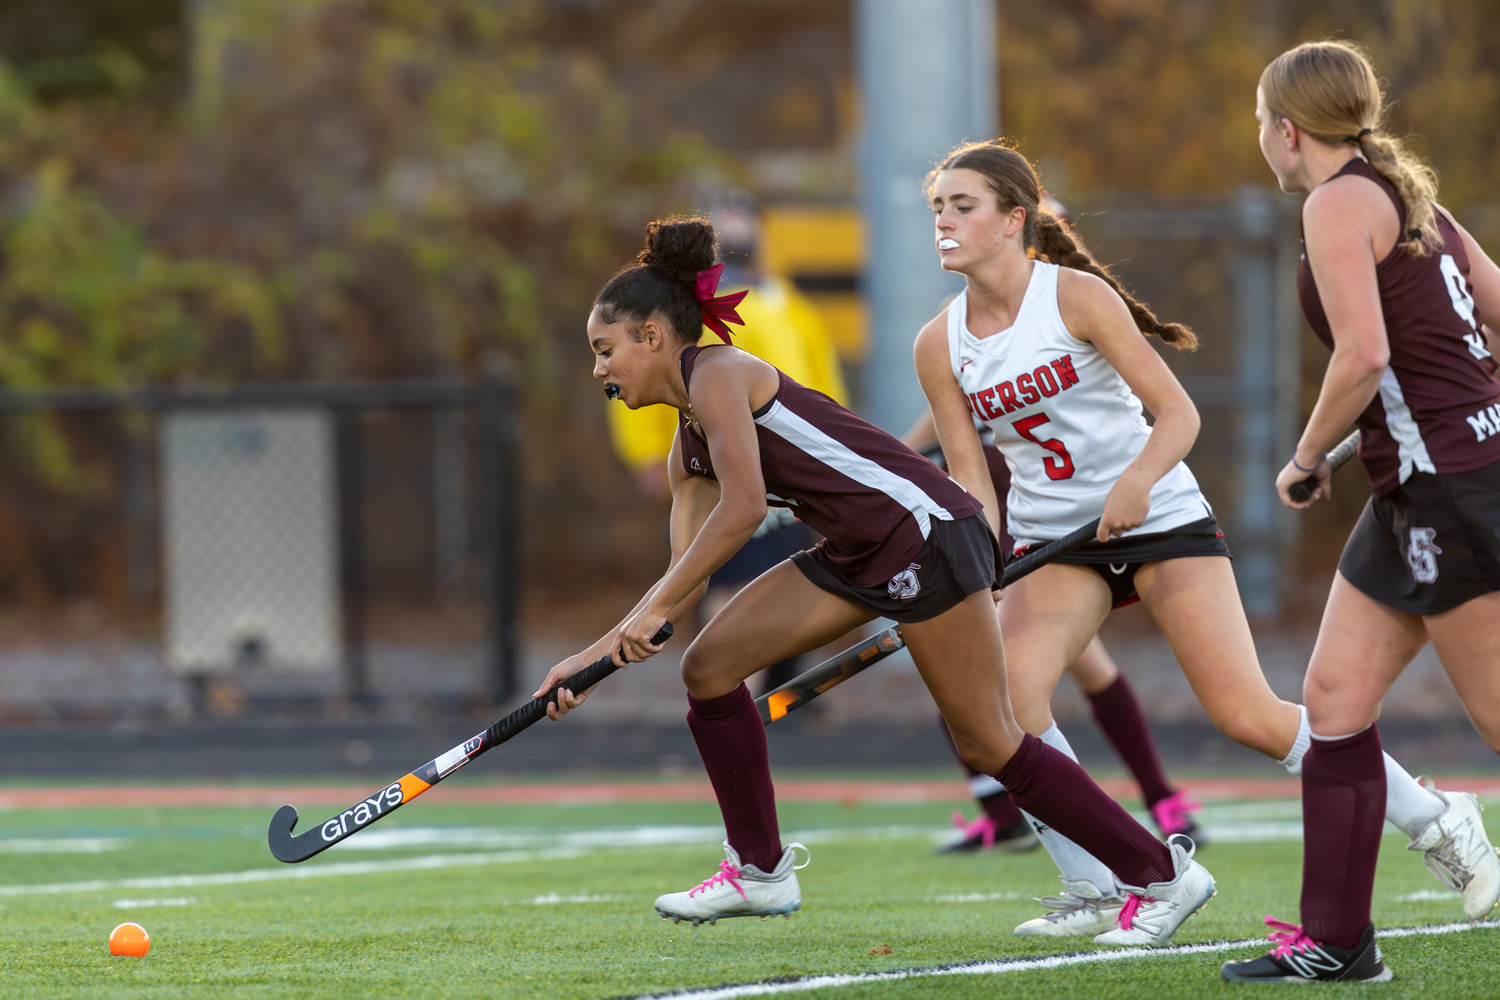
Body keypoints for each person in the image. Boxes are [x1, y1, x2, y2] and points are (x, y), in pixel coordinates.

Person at [536, 215, 1215, 946]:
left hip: (925, 536)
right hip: (857, 553)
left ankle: (1164, 876)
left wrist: (651, 613)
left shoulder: (722, 375)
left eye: (606, 351)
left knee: (990, 742)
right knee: (709, 667)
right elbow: (681, 580)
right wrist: (595, 655)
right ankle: (759, 871)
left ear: (652, 337)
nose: (601, 369)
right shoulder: (686, 443)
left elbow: (739, 510)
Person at [914, 137, 1495, 941]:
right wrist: (983, 558)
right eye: (937, 207)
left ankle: (1438, 821)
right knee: (999, 712)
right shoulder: (937, 344)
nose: (943, 221)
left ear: (1014, 220)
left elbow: (1179, 416)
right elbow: (972, 476)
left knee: (1248, 715)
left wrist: (1135, 482)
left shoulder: (1076, 298)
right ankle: (1103, 883)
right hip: (1057, 545)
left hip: (1156, 518)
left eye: (962, 205)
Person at [1222, 41, 1500, 984]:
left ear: (1285, 128)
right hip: (1414, 487)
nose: (1260, 136)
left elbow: (1366, 354)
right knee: (1335, 705)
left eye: (1260, 119)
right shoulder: (1405, 192)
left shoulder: (1336, 200)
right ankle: (1338, 942)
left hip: (1448, 489)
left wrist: (1304, 456)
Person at [903, 411, 1201, 855]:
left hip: (1042, 547)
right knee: (965, 689)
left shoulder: (1044, 370)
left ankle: (1158, 801)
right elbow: (903, 456)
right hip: (990, 552)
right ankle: (1010, 818)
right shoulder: (959, 374)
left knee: (991, 686)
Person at [605, 194, 848, 695]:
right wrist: (647, 453)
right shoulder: (685, 323)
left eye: (744, 221)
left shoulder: (786, 304)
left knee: (778, 581)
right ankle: (739, 699)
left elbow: (823, 381)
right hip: (734, 461)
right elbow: (638, 380)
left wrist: (834, 451)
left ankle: (756, 698)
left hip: (787, 469)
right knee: (729, 583)